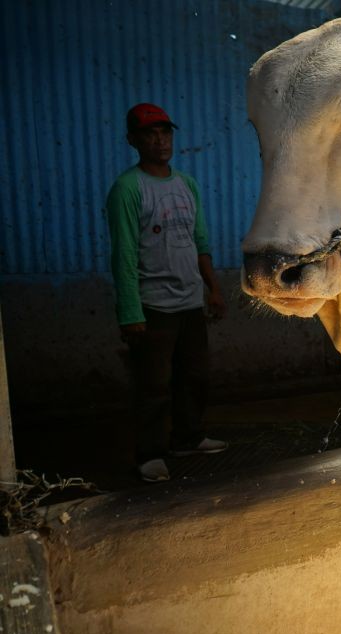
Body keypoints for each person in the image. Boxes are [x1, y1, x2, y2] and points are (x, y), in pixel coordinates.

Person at [106, 103, 228, 483]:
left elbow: (200, 241)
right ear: (133, 141)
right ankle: (149, 455)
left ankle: (187, 438)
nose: (160, 140)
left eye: (165, 132)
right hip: (153, 305)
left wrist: (213, 289)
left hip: (190, 300)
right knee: (153, 385)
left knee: (195, 376)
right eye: (149, 134)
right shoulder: (127, 189)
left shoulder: (186, 184)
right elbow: (123, 255)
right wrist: (130, 313)